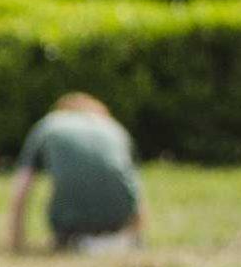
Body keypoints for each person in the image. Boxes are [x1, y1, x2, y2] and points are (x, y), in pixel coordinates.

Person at [7, 92, 145, 255]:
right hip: (120, 231)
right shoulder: (114, 128)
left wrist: (16, 244)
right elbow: (133, 188)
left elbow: (22, 187)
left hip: (71, 234)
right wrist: (139, 239)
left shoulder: (50, 124)